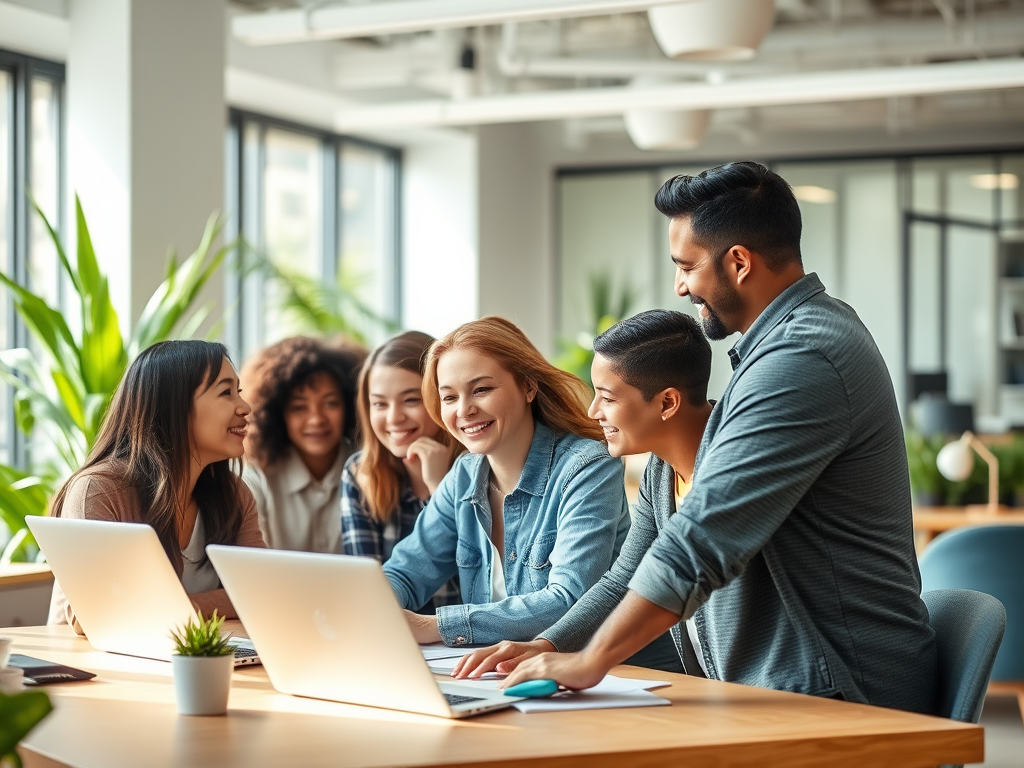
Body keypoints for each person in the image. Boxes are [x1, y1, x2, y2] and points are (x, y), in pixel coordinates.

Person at [498, 161, 938, 715]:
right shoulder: (780, 351)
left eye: (686, 267)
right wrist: (548, 645)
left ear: (738, 262)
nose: (679, 286)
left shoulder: (804, 356)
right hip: (785, 684)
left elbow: (704, 536)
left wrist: (591, 660)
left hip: (845, 691)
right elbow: (635, 567)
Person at [453, 310, 712, 677]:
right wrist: (544, 646)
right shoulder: (661, 470)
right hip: (719, 685)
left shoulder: (732, 463)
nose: (593, 412)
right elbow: (622, 580)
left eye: (607, 397)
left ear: (667, 403)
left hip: (784, 691)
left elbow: (672, 578)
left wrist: (590, 661)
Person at [382, 317, 631, 647]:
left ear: (528, 386)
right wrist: (367, 605)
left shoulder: (588, 467)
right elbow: (405, 571)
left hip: (616, 680)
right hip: (505, 676)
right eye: (450, 397)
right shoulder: (464, 476)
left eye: (481, 390)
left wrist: (432, 626)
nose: (465, 410)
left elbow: (570, 601)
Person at [48, 340, 265, 629]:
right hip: (95, 669)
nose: (245, 406)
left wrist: (164, 607)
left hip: (188, 656)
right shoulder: (99, 490)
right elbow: (91, 616)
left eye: (237, 391)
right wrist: (220, 602)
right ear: (174, 407)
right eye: (226, 393)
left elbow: (260, 595)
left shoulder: (234, 494)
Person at [340, 330, 461, 611]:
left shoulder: (475, 466)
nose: (394, 418)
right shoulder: (361, 473)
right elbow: (366, 585)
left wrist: (439, 489)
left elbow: (477, 582)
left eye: (411, 400)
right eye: (380, 404)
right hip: (391, 632)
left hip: (465, 641)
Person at [241, 336, 366, 553]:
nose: (316, 419)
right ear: (278, 414)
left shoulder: (369, 469)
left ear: (351, 406)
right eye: (299, 407)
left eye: (330, 403)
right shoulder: (257, 477)